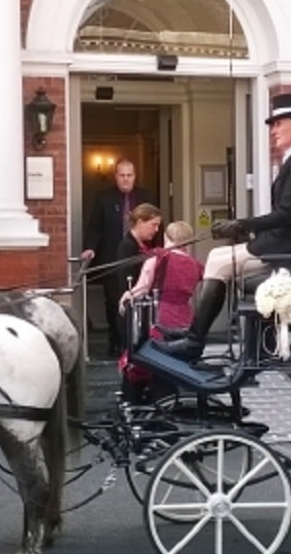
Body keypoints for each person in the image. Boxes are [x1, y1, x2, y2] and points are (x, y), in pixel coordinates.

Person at [157, 92, 291, 360]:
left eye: (278, 123)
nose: (273, 130)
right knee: (216, 256)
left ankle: (194, 343)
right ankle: (192, 334)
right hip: (284, 241)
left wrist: (241, 224)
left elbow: (287, 214)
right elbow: (288, 214)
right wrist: (243, 227)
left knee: (218, 263)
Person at [117, 220, 201, 404]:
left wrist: (126, 295)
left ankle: (134, 404)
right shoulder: (195, 265)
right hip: (185, 318)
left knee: (139, 362)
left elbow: (142, 288)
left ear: (167, 237)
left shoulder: (157, 258)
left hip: (160, 317)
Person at [80, 159, 156, 357]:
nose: (126, 179)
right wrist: (90, 248)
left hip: (140, 259)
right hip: (112, 259)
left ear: (134, 176)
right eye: (122, 175)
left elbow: (156, 226)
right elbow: (95, 226)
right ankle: (116, 342)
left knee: (141, 299)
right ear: (116, 177)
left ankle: (141, 341)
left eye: (129, 175)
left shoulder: (146, 197)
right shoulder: (104, 198)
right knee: (114, 302)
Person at [111, 203, 163, 350]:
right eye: (153, 225)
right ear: (140, 222)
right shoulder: (127, 246)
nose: (156, 229)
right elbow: (126, 282)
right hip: (132, 312)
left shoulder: (141, 244)